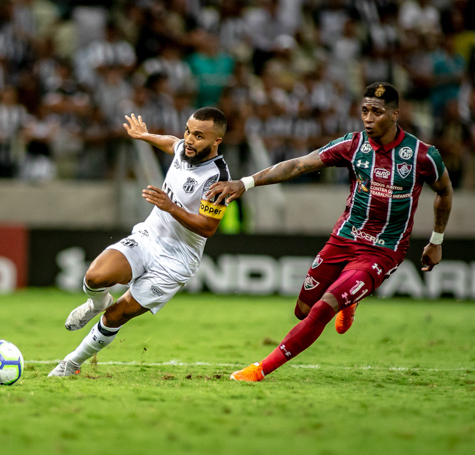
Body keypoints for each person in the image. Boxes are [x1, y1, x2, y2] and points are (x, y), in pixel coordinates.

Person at [206, 82, 453, 382]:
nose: (368, 118)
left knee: (323, 308)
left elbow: (445, 191)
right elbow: (298, 165)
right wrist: (244, 184)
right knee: (303, 310)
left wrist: (436, 240)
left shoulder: (422, 156)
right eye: (364, 111)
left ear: (395, 115)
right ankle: (350, 301)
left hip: (382, 251)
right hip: (344, 239)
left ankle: (260, 370)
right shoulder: (353, 146)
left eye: (377, 112)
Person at [49, 107, 231, 377]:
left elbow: (207, 228)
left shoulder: (218, 178)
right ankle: (97, 303)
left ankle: (71, 364)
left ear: (216, 141)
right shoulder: (185, 148)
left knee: (116, 316)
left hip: (176, 261)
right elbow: (172, 143)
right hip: (148, 237)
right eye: (188, 131)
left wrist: (171, 207)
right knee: (95, 277)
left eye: (199, 136)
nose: (190, 140)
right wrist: (145, 135)